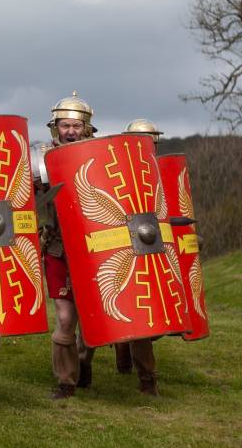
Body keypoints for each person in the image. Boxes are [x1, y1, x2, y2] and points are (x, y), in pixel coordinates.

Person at [39, 92, 104, 399]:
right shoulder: (42, 158)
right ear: (56, 127)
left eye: (76, 126)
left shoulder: (99, 157)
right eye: (65, 125)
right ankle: (66, 382)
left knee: (91, 314)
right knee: (65, 318)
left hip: (93, 248)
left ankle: (83, 359)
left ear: (86, 128)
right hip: (57, 249)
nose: (70, 131)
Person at [108, 118, 163, 387]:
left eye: (151, 141)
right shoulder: (119, 172)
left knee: (155, 315)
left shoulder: (161, 170)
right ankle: (146, 376)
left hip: (158, 248)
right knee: (139, 312)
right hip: (128, 246)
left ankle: (129, 355)